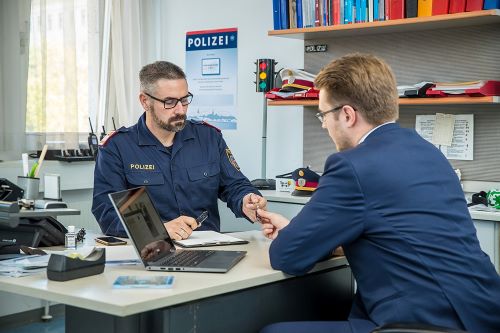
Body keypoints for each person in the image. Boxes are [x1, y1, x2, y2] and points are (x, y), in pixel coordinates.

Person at [257, 53, 500, 333]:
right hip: (482, 314)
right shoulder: (427, 151)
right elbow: (397, 233)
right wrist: (303, 231)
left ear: (347, 115)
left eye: (323, 114)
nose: (323, 124)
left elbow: (287, 256)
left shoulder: (352, 166)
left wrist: (293, 236)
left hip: (425, 322)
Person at [92, 61, 266, 240]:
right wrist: (157, 229)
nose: (180, 110)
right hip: (153, 250)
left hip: (209, 248)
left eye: (184, 100)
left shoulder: (209, 138)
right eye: (170, 102)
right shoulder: (116, 147)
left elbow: (234, 185)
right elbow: (107, 213)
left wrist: (247, 200)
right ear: (145, 101)